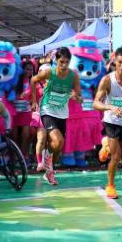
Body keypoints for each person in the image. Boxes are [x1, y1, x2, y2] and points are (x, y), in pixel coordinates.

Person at [94, 47, 122, 200]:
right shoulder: (107, 80)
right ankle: (111, 186)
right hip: (112, 122)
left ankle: (105, 145)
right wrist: (111, 107)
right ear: (114, 61)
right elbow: (96, 103)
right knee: (116, 157)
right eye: (119, 62)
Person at [32, 47, 80, 187]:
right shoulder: (49, 73)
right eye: (61, 62)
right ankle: (48, 165)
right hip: (47, 110)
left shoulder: (73, 76)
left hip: (62, 113)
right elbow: (33, 80)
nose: (64, 65)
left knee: (58, 146)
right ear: (56, 61)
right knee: (58, 140)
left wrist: (76, 97)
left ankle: (48, 167)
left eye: (66, 62)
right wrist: (34, 100)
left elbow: (80, 96)